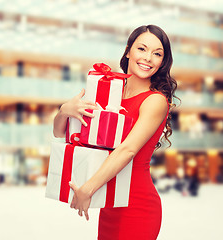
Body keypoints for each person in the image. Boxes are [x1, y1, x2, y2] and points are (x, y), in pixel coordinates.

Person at [53, 25, 177, 239]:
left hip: (137, 205)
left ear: (162, 62)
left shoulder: (155, 100)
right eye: (142, 49)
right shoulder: (111, 91)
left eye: (157, 54)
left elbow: (127, 150)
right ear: (128, 50)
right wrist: (65, 111)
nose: (148, 58)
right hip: (110, 200)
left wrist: (88, 189)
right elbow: (59, 133)